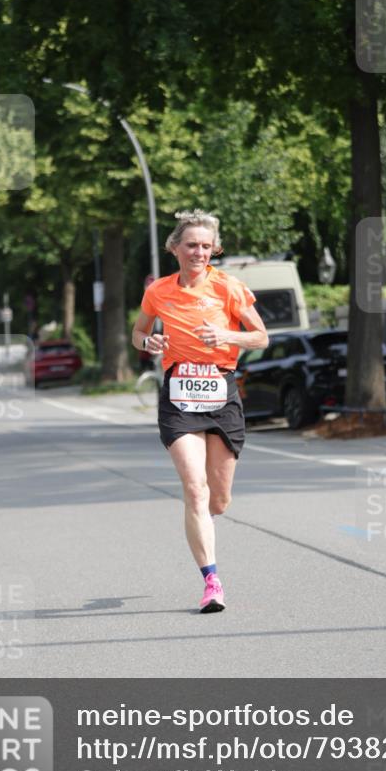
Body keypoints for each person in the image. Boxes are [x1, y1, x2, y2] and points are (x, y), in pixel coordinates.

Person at [132, 210, 268, 613]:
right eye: (191, 245)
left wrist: (225, 334)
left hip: (221, 394)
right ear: (175, 247)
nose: (199, 252)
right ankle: (211, 581)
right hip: (179, 395)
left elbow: (261, 336)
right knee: (195, 490)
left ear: (215, 249)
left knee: (218, 500)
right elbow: (140, 331)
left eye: (206, 246)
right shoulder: (158, 291)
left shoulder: (230, 287)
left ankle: (202, 522)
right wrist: (147, 344)